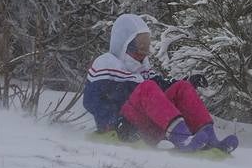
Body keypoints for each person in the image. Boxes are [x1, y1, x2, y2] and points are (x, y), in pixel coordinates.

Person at [82, 13, 238, 152]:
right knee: (148, 87)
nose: (143, 53)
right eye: (139, 46)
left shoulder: (142, 70)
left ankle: (210, 138)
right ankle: (182, 138)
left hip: (149, 126)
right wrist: (114, 122)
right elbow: (91, 100)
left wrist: (189, 83)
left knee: (181, 88)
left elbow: (164, 87)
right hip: (123, 127)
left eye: (145, 47)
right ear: (124, 45)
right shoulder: (106, 65)